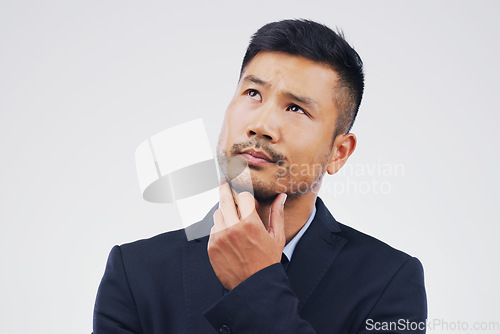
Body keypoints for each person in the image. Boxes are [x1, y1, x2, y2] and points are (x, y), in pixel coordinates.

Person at [93, 19, 427, 334]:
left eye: (295, 108)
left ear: (338, 153)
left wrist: (256, 285)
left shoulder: (388, 282)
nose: (261, 125)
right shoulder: (135, 272)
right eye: (253, 94)